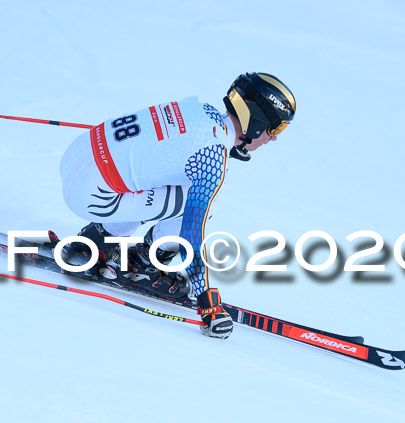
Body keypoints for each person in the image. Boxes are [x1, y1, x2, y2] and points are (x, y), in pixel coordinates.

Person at [59, 72, 296, 339]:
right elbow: (192, 235)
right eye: (276, 128)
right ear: (257, 121)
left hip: (76, 157)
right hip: (92, 195)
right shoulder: (213, 158)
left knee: (176, 180)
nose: (274, 138)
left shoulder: (198, 108)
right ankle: (147, 260)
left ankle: (102, 236)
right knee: (209, 200)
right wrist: (208, 303)